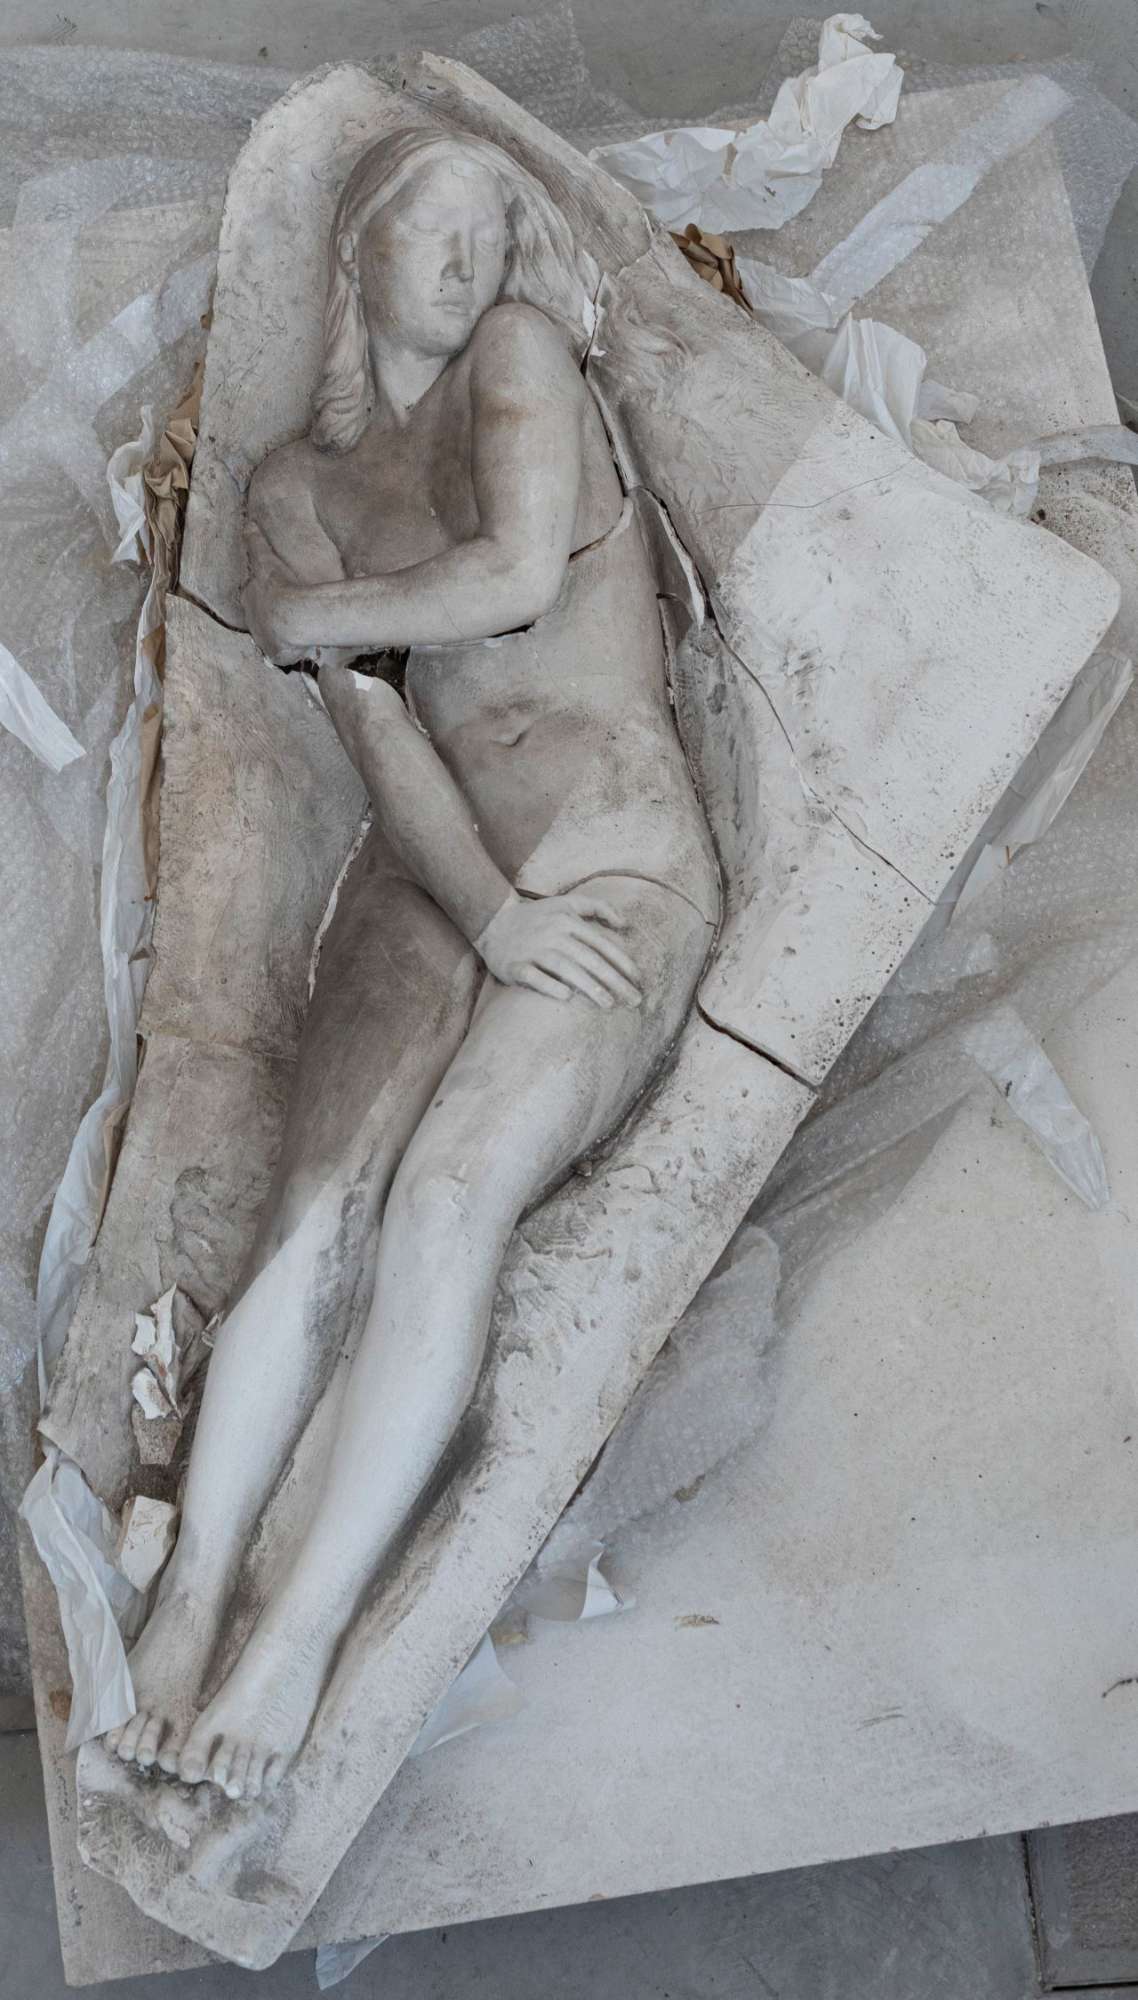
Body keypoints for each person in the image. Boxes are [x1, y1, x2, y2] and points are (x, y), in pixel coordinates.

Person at [105, 126, 719, 1801]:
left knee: (449, 1197)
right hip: (436, 874)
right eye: (429, 230)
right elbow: (378, 728)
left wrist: (308, 621)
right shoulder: (291, 492)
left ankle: (298, 1638)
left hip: (606, 854)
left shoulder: (518, 358)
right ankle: (201, 1586)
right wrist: (486, 911)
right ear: (356, 254)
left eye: (489, 231)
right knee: (320, 1209)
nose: (465, 262)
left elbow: (514, 577)